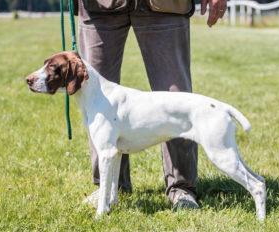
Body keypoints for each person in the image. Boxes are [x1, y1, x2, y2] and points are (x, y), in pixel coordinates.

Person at [75, 0, 227, 210]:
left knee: (177, 96)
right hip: (99, 5)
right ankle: (109, 188)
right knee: (96, 97)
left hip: (167, 4)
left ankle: (181, 187)